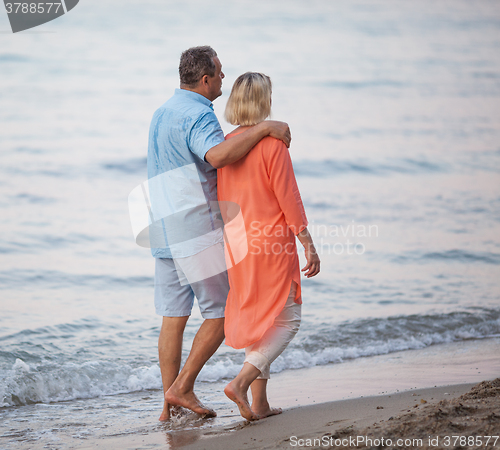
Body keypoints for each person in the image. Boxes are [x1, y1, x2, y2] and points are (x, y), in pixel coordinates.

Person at [147, 46, 292, 421]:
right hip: (197, 228)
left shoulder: (162, 112)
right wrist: (264, 127)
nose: (224, 79)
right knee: (221, 315)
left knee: (173, 318)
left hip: (163, 228)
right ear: (206, 78)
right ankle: (182, 388)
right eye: (220, 73)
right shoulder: (199, 115)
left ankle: (170, 407)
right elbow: (217, 156)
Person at [217, 72, 320, 421]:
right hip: (270, 243)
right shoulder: (272, 144)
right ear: (264, 102)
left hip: (238, 244)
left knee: (260, 318)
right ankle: (240, 382)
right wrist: (308, 243)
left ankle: (260, 404)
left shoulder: (227, 145)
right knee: (289, 319)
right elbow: (288, 198)